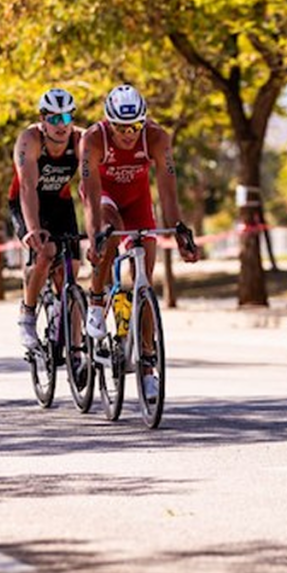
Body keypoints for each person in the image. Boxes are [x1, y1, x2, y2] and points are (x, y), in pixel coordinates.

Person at [80, 84, 200, 395]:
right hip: (103, 197)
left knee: (144, 276)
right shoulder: (93, 139)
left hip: (137, 202)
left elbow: (167, 189)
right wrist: (94, 235)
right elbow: (91, 196)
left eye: (135, 126)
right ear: (109, 122)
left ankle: (147, 365)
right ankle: (96, 300)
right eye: (121, 127)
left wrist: (180, 231)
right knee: (109, 229)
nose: (129, 134)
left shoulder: (157, 137)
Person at [9, 88, 83, 351]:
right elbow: (28, 186)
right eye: (53, 119)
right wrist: (33, 229)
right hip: (27, 203)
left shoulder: (80, 140)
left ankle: (75, 349)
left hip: (61, 203)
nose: (61, 126)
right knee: (46, 253)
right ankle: (27, 313)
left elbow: (89, 183)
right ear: (42, 120)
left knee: (72, 270)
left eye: (66, 118)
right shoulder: (30, 141)